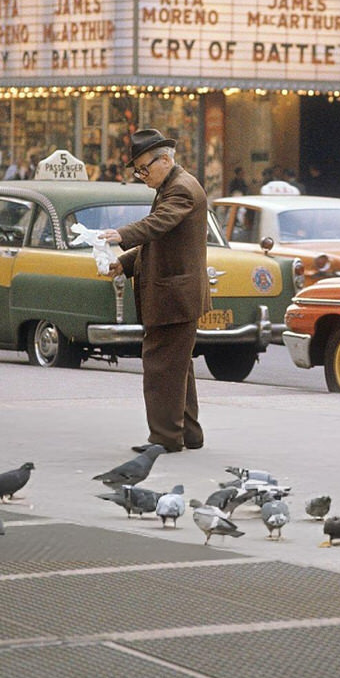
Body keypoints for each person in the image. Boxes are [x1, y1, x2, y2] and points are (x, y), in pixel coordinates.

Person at [100, 129, 211, 453]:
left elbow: (156, 226)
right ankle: (189, 433)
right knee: (177, 367)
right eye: (138, 170)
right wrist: (126, 263)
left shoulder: (180, 190)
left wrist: (117, 235)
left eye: (145, 168)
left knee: (161, 366)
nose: (141, 175)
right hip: (176, 293)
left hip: (174, 295)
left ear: (165, 160)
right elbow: (160, 242)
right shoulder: (171, 185)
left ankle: (164, 437)